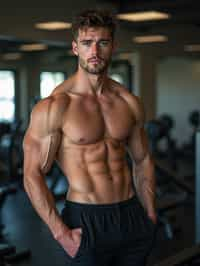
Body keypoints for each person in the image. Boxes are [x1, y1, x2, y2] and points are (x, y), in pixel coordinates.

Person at [23, 9, 157, 266]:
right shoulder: (54, 106)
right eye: (87, 43)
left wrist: (149, 213)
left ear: (113, 47)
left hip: (132, 214)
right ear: (75, 48)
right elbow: (32, 174)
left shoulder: (129, 102)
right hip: (87, 218)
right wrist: (61, 234)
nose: (94, 51)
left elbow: (143, 160)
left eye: (102, 43)